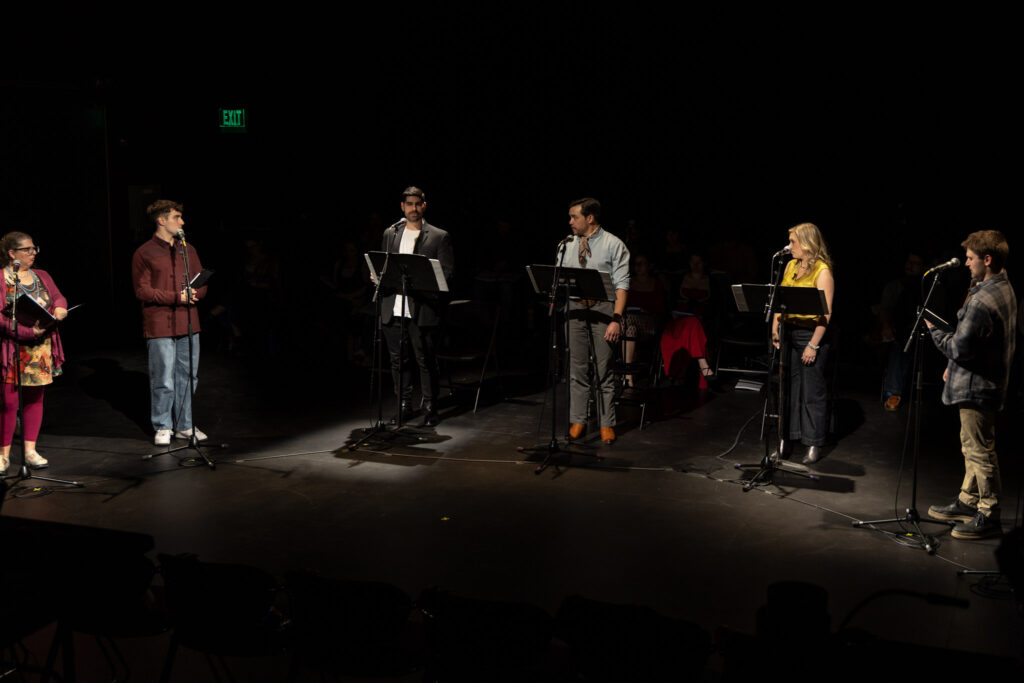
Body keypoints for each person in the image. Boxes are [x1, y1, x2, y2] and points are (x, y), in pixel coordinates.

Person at [926, 230, 1016, 540]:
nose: (966, 263)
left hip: (978, 387)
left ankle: (989, 512)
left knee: (979, 450)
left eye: (970, 258)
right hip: (983, 381)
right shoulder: (1002, 286)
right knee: (972, 445)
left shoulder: (981, 300)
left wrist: (934, 330)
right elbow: (980, 344)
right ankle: (968, 500)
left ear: (987, 259)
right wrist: (955, 365)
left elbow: (958, 347)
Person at [131, 200, 208, 446]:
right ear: (161, 220)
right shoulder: (144, 252)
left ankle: (185, 425)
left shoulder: (188, 249)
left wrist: (196, 293)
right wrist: (176, 297)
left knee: (189, 376)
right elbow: (142, 290)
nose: (182, 222)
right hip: (160, 324)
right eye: (177, 217)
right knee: (163, 378)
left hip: (188, 321)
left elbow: (202, 282)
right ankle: (163, 425)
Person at [379, 187, 454, 426]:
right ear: (402, 206)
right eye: (409, 204)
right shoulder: (391, 233)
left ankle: (430, 407)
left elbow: (447, 272)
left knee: (425, 359)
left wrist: (423, 281)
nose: (413, 208)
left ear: (424, 205)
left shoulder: (439, 236)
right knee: (397, 360)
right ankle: (404, 405)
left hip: (421, 308)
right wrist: (378, 276)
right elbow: (385, 265)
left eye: (417, 204)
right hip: (393, 305)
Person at [559, 198, 629, 444]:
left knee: (603, 368)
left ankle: (606, 422)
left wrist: (616, 319)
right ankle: (578, 419)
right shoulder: (567, 244)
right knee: (576, 367)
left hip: (603, 308)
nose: (570, 222)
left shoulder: (613, 244)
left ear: (589, 218)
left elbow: (622, 285)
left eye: (574, 217)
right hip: (575, 308)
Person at [0, 232, 67, 473]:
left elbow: (57, 297)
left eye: (33, 248)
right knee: (8, 402)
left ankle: (30, 451)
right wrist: (28, 332)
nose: (33, 253)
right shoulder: (1, 278)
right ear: (12, 254)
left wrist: (60, 308)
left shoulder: (42, 275)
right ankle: (3, 455)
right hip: (11, 347)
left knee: (34, 399)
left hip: (39, 349)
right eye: (27, 249)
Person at [772, 223, 835, 465]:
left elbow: (825, 314)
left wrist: (813, 345)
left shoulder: (822, 271)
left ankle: (813, 443)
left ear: (807, 244)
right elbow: (780, 299)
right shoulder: (790, 266)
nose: (789, 246)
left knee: (811, 392)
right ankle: (786, 439)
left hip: (810, 334)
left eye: (793, 242)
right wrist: (775, 328)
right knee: (788, 390)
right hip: (788, 331)